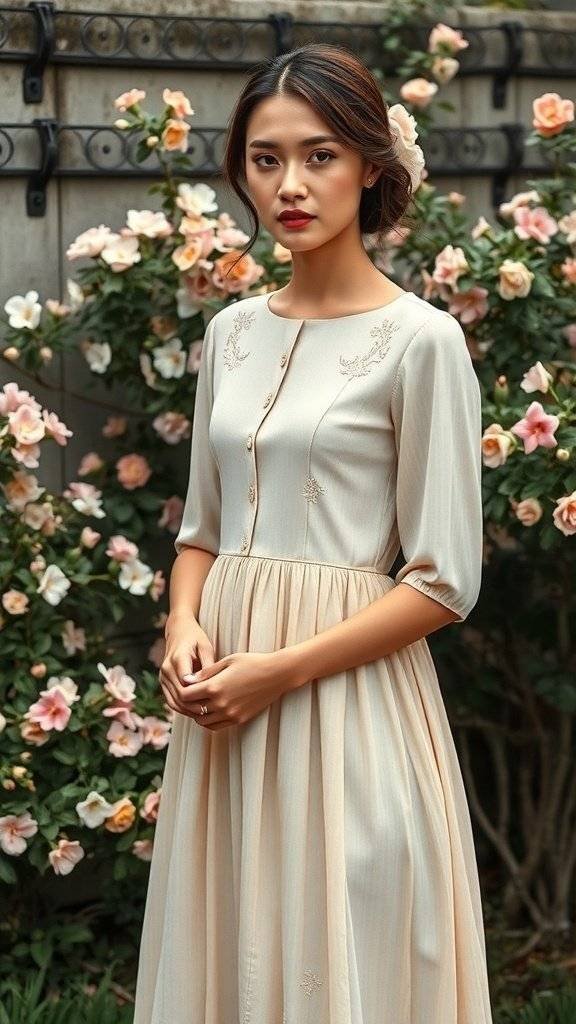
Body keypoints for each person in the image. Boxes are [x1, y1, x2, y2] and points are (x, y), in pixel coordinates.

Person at [132, 42, 493, 1024]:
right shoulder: (231, 334)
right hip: (223, 709)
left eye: (320, 155)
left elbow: (442, 580)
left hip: (347, 703)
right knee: (229, 951)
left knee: (349, 959)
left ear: (373, 165)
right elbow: (202, 525)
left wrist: (279, 671)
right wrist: (180, 625)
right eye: (264, 159)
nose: (290, 184)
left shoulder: (423, 342)